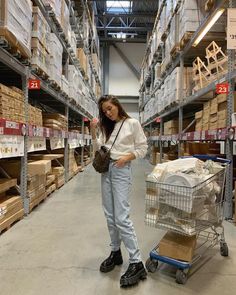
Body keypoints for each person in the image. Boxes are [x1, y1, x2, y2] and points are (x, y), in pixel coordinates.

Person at [90, 95, 148, 287]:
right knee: (109, 215)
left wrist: (127, 158)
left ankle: (136, 261)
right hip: (107, 170)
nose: (108, 112)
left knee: (122, 217)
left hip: (122, 169)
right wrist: (93, 131)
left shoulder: (132, 123)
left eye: (109, 108)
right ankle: (115, 253)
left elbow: (143, 148)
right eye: (104, 111)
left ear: (116, 105)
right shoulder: (107, 126)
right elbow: (99, 147)